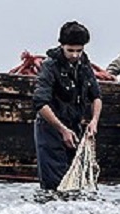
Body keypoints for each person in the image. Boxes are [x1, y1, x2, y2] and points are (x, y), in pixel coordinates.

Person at [32, 21, 102, 190]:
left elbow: (96, 96)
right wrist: (62, 130)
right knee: (55, 184)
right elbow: (40, 103)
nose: (75, 55)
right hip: (51, 130)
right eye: (70, 50)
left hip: (74, 128)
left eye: (79, 50)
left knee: (76, 182)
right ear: (62, 45)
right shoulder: (50, 66)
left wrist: (94, 121)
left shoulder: (84, 65)